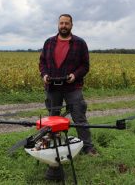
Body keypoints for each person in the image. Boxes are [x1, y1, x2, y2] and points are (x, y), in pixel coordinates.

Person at [39, 14, 98, 156]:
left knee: (79, 117)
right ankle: (52, 144)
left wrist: (75, 75)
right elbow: (42, 63)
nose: (63, 26)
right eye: (61, 23)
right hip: (53, 87)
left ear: (71, 25)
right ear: (58, 25)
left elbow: (85, 65)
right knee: (53, 117)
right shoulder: (49, 42)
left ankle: (88, 147)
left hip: (73, 87)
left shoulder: (80, 43)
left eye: (66, 23)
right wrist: (44, 75)